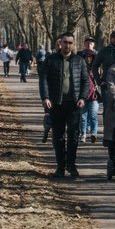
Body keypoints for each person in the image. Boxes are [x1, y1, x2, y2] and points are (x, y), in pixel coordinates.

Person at [38, 32, 90, 178]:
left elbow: (86, 81)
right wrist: (45, 97)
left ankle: (71, 165)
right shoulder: (51, 60)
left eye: (70, 43)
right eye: (65, 42)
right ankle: (60, 167)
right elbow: (44, 80)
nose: (67, 45)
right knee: (58, 136)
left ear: (74, 44)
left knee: (73, 136)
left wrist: (83, 98)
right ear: (60, 43)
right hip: (56, 104)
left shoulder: (79, 61)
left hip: (74, 104)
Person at [79, 49, 100, 143]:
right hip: (83, 97)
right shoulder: (80, 68)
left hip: (93, 96)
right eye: (87, 57)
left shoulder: (96, 69)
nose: (88, 59)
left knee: (93, 115)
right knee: (83, 117)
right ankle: (83, 134)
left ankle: (94, 134)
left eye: (90, 57)